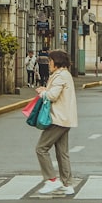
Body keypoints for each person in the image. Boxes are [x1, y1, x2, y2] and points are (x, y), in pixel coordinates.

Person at [35, 49, 78, 195]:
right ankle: (67, 184)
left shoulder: (60, 76)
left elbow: (52, 96)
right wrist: (45, 89)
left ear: (56, 62)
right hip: (65, 119)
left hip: (58, 119)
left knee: (41, 148)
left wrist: (42, 93)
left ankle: (51, 180)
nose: (48, 64)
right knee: (62, 152)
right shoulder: (64, 75)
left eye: (50, 61)